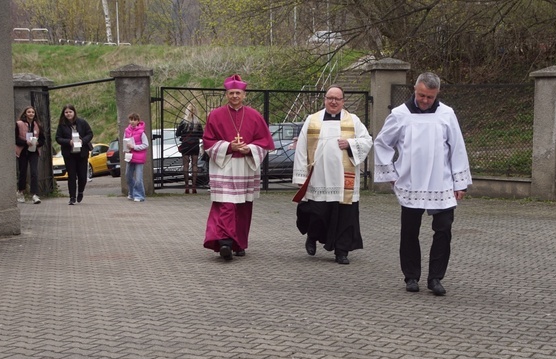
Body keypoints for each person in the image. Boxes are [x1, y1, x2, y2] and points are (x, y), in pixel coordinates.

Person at [373, 72, 472, 296]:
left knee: (443, 229)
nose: (425, 101)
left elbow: (457, 148)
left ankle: (436, 277)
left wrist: (460, 183)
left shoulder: (447, 114)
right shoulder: (399, 114)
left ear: (437, 94)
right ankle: (411, 276)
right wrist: (391, 173)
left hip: (441, 182)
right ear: (414, 90)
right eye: (421, 95)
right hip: (411, 181)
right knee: (409, 231)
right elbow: (382, 143)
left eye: (429, 97)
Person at [292, 85, 373, 265]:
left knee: (345, 214)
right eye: (330, 98)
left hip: (344, 178)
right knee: (318, 213)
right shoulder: (312, 120)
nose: (333, 101)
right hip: (318, 176)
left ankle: (341, 251)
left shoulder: (353, 120)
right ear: (325, 100)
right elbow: (302, 148)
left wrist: (351, 143)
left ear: (343, 101)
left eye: (337, 98)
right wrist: (300, 176)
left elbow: (367, 141)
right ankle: (312, 236)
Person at [201, 74, 275, 260]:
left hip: (245, 166)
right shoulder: (215, 115)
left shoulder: (254, 115)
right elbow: (208, 141)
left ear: (244, 95)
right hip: (224, 165)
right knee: (226, 204)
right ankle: (226, 242)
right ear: (226, 94)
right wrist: (229, 146)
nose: (235, 96)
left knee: (243, 207)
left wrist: (248, 148)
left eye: (238, 93)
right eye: (231, 93)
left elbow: (264, 141)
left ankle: (239, 243)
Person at [55, 104, 93, 205]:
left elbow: (90, 133)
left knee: (82, 176)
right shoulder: (62, 125)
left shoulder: (82, 122)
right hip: (69, 154)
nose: (68, 114)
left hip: (82, 153)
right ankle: (72, 197)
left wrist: (83, 141)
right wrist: (68, 142)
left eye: (70, 112)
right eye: (66, 112)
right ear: (64, 114)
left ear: (74, 112)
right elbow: (58, 138)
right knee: (71, 176)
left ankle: (80, 191)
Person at [14, 106, 45, 204]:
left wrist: (37, 143)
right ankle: (21, 192)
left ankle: (35, 194)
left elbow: (42, 139)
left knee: (34, 172)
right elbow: (15, 139)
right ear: (25, 113)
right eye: (29, 112)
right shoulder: (19, 124)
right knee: (23, 171)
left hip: (34, 151)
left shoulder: (38, 125)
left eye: (33, 112)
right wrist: (25, 142)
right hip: (23, 150)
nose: (31, 114)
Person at [176, 103, 204, 194]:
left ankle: (187, 185)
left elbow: (177, 134)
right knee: (195, 165)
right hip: (195, 145)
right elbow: (201, 135)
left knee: (186, 165)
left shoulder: (183, 122)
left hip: (185, 145)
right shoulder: (198, 123)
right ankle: (194, 186)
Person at [123, 112, 149, 202]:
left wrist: (135, 147)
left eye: (134, 120)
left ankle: (140, 195)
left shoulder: (141, 132)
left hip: (139, 157)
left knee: (139, 178)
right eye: (131, 120)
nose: (132, 122)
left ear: (138, 121)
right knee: (128, 176)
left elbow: (146, 144)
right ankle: (132, 192)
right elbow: (124, 142)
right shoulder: (127, 131)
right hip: (130, 156)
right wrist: (126, 148)